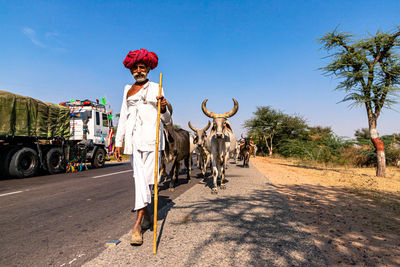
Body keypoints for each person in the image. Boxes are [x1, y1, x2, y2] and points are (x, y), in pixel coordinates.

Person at [114, 48, 171, 246]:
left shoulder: (157, 87)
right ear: (131, 71)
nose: (139, 70)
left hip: (153, 141)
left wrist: (163, 108)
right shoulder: (127, 90)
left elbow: (167, 118)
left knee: (147, 182)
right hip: (134, 141)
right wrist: (118, 142)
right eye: (135, 68)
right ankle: (145, 218)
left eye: (142, 67)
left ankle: (137, 225)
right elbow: (123, 117)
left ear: (148, 68)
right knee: (140, 181)